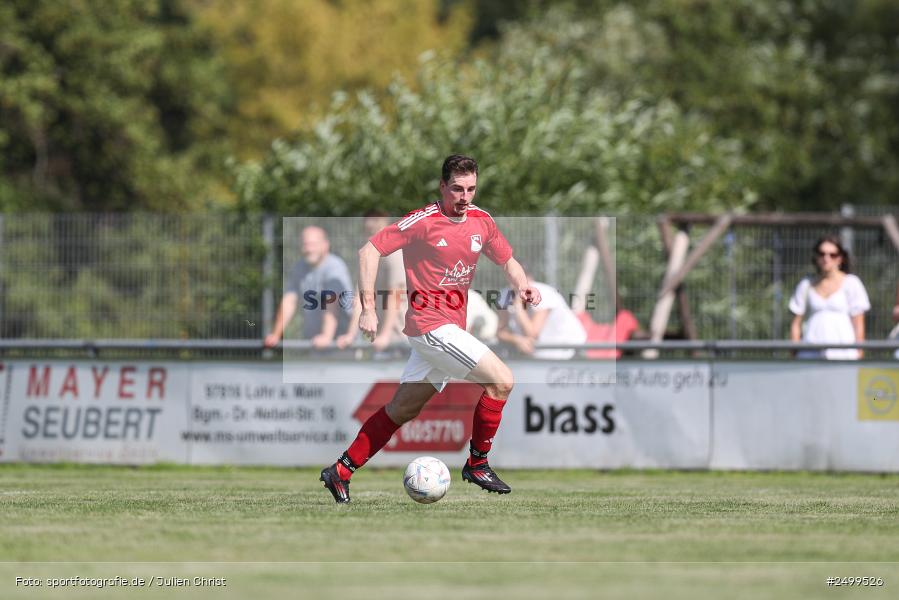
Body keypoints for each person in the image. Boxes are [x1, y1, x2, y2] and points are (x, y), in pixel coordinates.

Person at [319, 154, 541, 503]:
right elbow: (368, 251)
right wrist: (368, 309)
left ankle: (340, 471)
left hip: (448, 329)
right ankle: (477, 463)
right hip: (431, 326)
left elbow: (507, 260)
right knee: (502, 381)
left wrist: (522, 284)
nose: (465, 196)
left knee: (403, 409)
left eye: (471, 189)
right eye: (457, 189)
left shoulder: (481, 221)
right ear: (442, 186)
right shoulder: (423, 221)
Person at [264, 226, 355, 349]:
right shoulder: (299, 268)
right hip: (315, 341)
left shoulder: (335, 266)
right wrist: (276, 334)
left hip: (341, 343)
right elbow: (289, 301)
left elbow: (331, 302)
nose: (308, 249)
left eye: (313, 244)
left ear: (325, 245)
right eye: (305, 244)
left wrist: (326, 336)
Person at [789, 236, 870, 360]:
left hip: (843, 354)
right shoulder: (806, 285)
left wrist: (859, 353)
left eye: (832, 255)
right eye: (822, 254)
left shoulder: (851, 283)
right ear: (816, 257)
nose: (826, 258)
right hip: (809, 355)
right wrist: (794, 353)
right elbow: (796, 323)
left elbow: (858, 323)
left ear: (840, 258)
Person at [341, 210, 407, 351]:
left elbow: (396, 295)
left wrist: (385, 335)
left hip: (402, 339)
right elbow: (359, 300)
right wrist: (351, 334)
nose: (371, 234)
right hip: (381, 341)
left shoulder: (395, 255)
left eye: (376, 229)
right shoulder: (367, 259)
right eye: (368, 230)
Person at [496, 276, 586, 359]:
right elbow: (500, 333)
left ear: (529, 278)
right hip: (541, 355)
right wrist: (517, 340)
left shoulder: (543, 293)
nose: (513, 284)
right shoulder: (506, 294)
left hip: (570, 350)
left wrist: (519, 307)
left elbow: (532, 334)